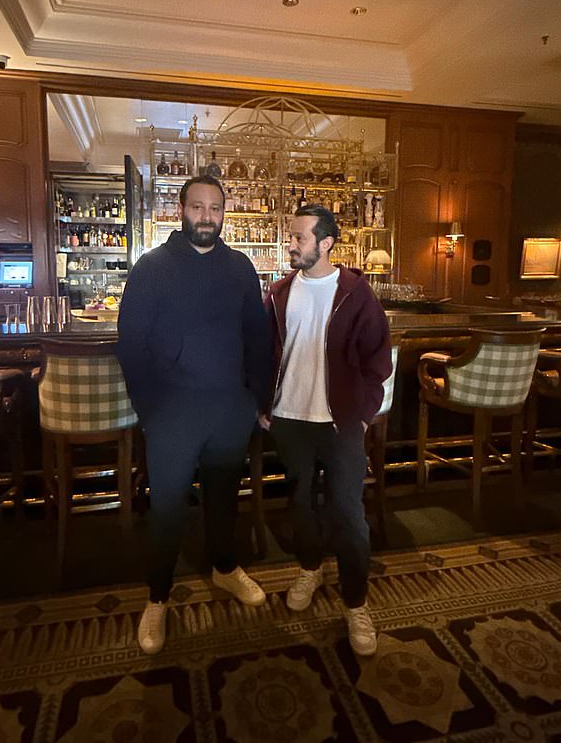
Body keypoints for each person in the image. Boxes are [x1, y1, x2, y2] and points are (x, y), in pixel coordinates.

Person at [117, 175, 271, 655]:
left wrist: (258, 401)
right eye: (198, 207)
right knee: (166, 512)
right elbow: (131, 345)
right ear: (180, 209)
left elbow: (259, 339)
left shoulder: (241, 268)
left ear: (225, 213)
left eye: (216, 208)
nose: (207, 216)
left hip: (229, 411)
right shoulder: (152, 267)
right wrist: (150, 411)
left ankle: (225, 570)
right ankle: (158, 597)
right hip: (172, 416)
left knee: (225, 501)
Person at [260, 205, 391, 656]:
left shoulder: (356, 294)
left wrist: (360, 413)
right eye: (291, 236)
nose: (290, 244)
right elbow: (265, 354)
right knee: (299, 502)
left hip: (339, 423)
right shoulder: (278, 293)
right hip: (290, 418)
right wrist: (264, 404)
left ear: (326, 243)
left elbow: (378, 362)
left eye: (298, 237)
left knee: (348, 514)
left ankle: (356, 602)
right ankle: (310, 567)